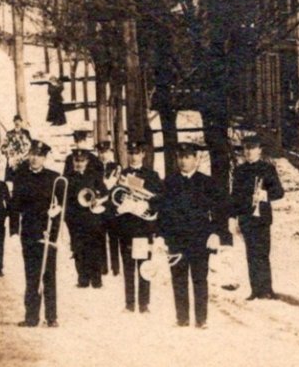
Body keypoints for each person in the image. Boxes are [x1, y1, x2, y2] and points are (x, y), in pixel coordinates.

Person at [159, 142, 231, 328]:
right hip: (176, 240)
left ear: (196, 159)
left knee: (200, 279)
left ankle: (201, 319)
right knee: (178, 279)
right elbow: (163, 212)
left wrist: (216, 232)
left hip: (200, 239)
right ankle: (182, 318)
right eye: (180, 157)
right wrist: (161, 236)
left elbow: (218, 210)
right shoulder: (169, 182)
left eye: (187, 157)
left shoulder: (206, 182)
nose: (183, 161)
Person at [9, 140, 62, 327]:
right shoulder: (20, 177)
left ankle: (51, 317)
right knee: (31, 275)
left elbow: (64, 205)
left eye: (39, 155)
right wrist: (14, 232)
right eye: (32, 154)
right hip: (30, 232)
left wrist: (56, 214)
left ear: (45, 158)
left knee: (49, 276)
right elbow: (14, 207)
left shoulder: (55, 178)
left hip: (49, 233)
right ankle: (31, 317)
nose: (35, 158)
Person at [231, 134, 284, 301]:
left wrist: (265, 194)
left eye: (252, 148)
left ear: (259, 150)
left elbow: (279, 192)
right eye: (246, 148)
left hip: (262, 218)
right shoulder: (239, 171)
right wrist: (233, 218)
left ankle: (267, 290)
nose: (249, 152)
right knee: (251, 255)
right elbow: (235, 196)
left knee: (263, 254)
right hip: (247, 217)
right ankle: (255, 290)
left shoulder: (268, 168)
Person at [114, 141, 162, 313]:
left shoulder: (152, 175)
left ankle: (143, 304)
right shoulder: (121, 175)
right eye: (131, 152)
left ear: (143, 154)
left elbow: (158, 199)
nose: (133, 156)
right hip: (126, 228)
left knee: (144, 266)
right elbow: (115, 197)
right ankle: (129, 304)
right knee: (128, 267)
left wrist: (146, 206)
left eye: (137, 153)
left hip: (142, 228)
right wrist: (119, 207)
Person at [65, 149, 107, 288]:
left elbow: (105, 193)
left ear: (87, 162)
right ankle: (82, 279)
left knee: (94, 247)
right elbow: (64, 198)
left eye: (82, 161)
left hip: (92, 217)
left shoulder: (94, 176)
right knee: (78, 248)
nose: (79, 164)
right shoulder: (68, 178)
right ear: (72, 162)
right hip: (76, 218)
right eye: (76, 161)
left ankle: (96, 279)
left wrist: (98, 200)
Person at [95, 141, 120, 275]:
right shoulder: (95, 167)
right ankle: (103, 267)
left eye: (105, 152)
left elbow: (111, 186)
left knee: (113, 237)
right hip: (99, 207)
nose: (103, 155)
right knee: (100, 237)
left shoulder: (116, 167)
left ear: (110, 152)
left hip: (111, 206)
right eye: (100, 152)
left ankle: (115, 268)